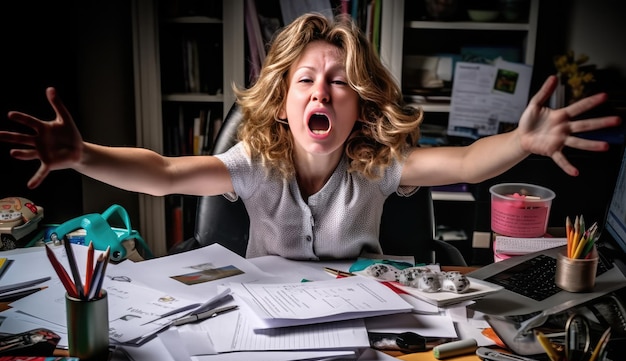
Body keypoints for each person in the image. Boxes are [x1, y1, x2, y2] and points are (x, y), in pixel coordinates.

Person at [0, 13, 621, 260]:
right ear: (282, 104)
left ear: (361, 107)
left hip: (365, 325)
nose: (321, 92)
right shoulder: (254, 162)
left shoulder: (376, 166)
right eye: (305, 81)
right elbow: (162, 174)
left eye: (340, 83)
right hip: (269, 324)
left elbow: (465, 159)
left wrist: (522, 140)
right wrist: (82, 156)